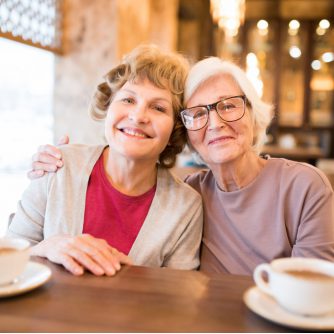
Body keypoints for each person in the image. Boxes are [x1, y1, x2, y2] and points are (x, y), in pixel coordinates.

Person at [27, 57, 334, 276]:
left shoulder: (301, 187)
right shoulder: (194, 193)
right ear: (186, 129)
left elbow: (312, 293)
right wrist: (46, 243)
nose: (215, 123)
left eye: (229, 105)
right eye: (199, 113)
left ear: (253, 115)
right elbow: (16, 246)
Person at [7, 45, 203, 276]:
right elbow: (9, 259)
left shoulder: (185, 207)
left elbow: (177, 298)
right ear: (108, 105)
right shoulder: (58, 165)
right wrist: (46, 247)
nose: (138, 116)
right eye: (128, 100)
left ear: (175, 130)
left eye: (158, 108)